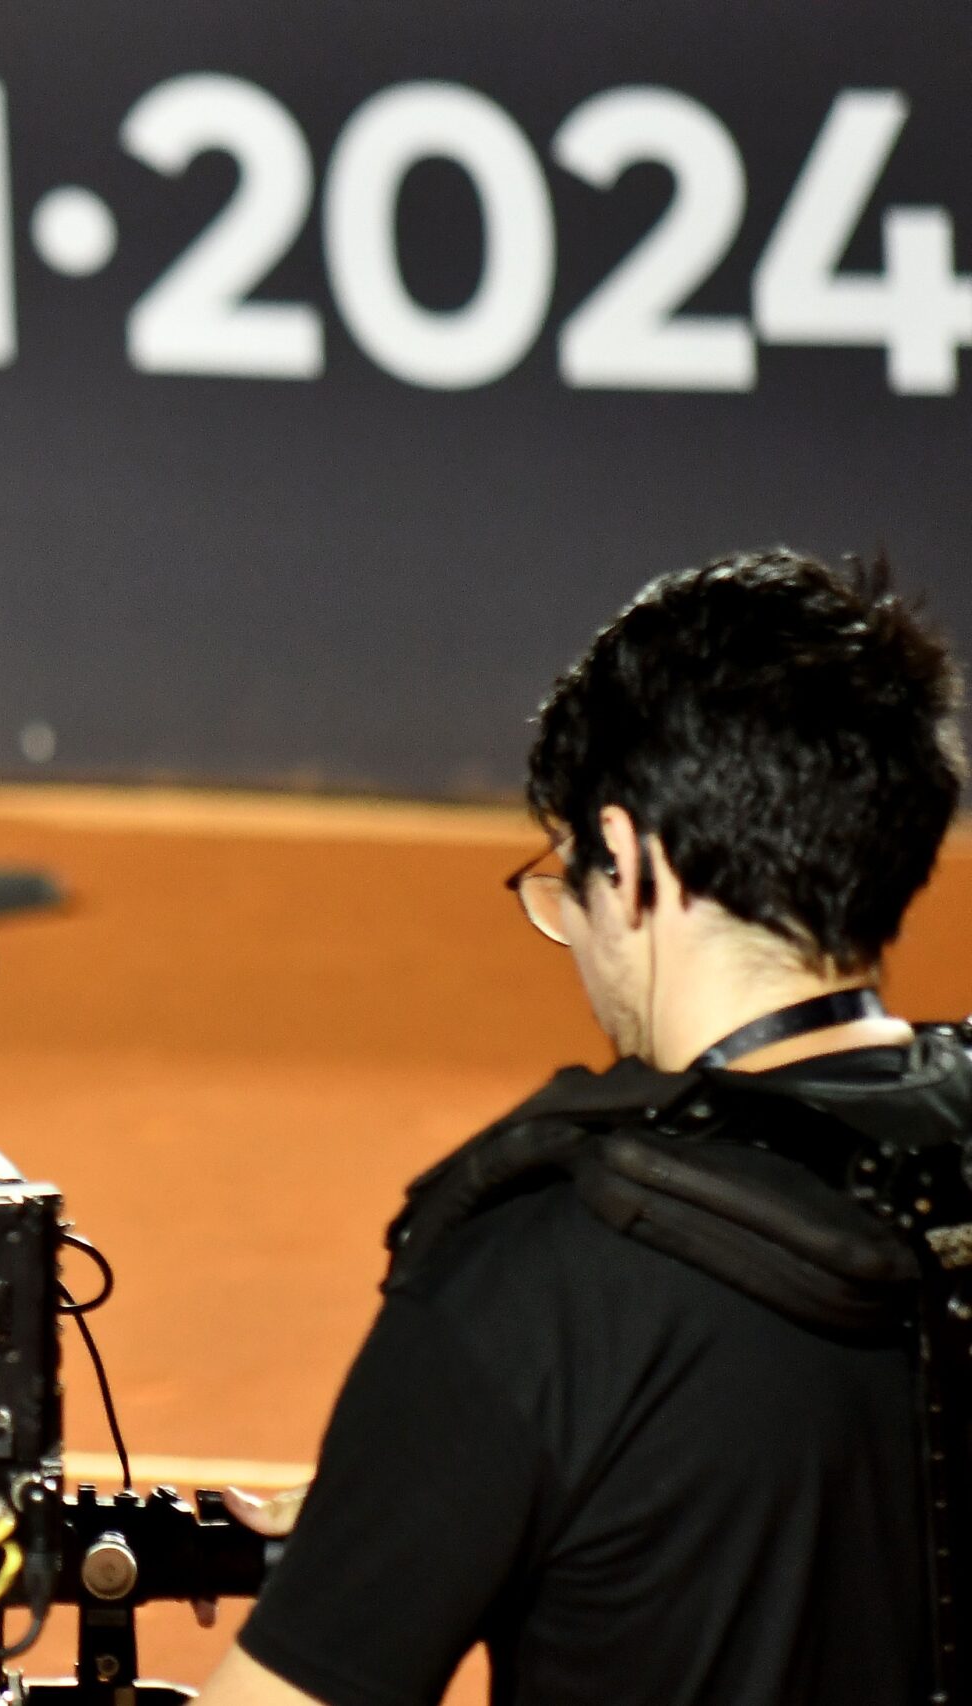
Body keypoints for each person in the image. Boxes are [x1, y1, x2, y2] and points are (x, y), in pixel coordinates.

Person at [199, 550, 965, 1706]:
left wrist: (449, 1456)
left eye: (570, 880)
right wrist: (458, 1484)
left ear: (637, 860)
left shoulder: (534, 1281)